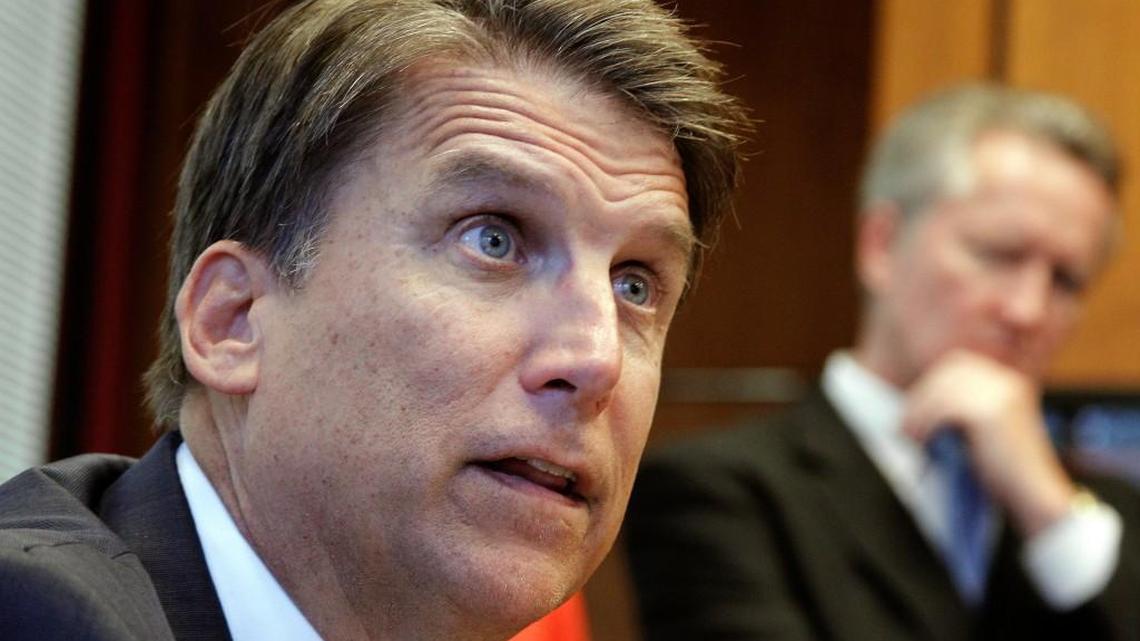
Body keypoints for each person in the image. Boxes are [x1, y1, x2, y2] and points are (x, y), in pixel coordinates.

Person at [0, 1, 747, 640]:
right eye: (493, 239)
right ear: (233, 321)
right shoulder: (35, 614)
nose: (596, 359)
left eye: (635, 285)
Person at [626, 83, 1140, 641]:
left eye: (1066, 281)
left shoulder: (1093, 520)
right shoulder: (721, 491)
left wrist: (1047, 510)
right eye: (999, 255)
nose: (1027, 311)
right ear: (882, 245)